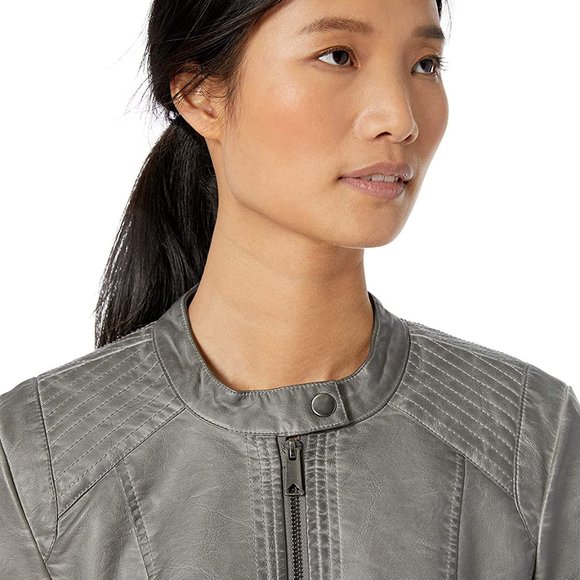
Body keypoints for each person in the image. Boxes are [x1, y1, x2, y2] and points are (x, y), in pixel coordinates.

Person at [1, 0, 578, 577]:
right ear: (200, 93)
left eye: (424, 64)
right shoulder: (33, 462)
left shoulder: (532, 442)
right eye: (338, 56)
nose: (401, 118)